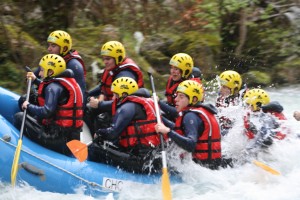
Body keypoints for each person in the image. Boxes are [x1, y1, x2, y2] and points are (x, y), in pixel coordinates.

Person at [14, 54, 84, 155]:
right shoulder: (62, 81)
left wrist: (28, 106)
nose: (40, 73)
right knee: (27, 103)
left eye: (42, 70)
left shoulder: (53, 87)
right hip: (70, 137)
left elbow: (46, 112)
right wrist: (35, 80)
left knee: (19, 117)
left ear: (50, 72)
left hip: (60, 139)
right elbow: (48, 87)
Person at [88, 77, 161, 173]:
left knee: (96, 147)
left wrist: (99, 133)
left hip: (141, 162)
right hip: (152, 158)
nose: (113, 98)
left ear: (124, 95)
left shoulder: (127, 107)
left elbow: (112, 134)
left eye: (115, 94)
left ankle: (93, 173)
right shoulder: (144, 103)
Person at [155, 80, 225, 170]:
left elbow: (190, 145)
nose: (176, 99)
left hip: (200, 169)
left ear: (194, 99)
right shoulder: (200, 111)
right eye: (177, 96)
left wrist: (168, 132)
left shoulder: (190, 116)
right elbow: (180, 128)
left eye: (181, 97)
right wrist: (159, 118)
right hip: (212, 167)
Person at [86, 41, 144, 133]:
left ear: (118, 58)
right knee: (88, 108)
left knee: (89, 110)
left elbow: (122, 102)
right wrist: (86, 94)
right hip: (114, 105)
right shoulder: (113, 68)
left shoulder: (125, 75)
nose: (104, 62)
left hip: (127, 110)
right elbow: (103, 86)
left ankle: (95, 139)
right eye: (103, 59)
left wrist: (99, 104)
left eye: (108, 59)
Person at [19, 30, 87, 109]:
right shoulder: (53, 59)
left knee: (25, 101)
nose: (49, 49)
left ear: (64, 48)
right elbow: (37, 73)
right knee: (23, 99)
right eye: (49, 45)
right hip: (55, 99)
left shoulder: (74, 65)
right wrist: (31, 77)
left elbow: (66, 93)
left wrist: (36, 81)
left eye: (53, 46)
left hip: (66, 106)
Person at [158, 53, 201, 122]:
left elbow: (177, 112)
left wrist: (158, 102)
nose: (172, 71)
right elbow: (170, 102)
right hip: (174, 112)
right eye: (171, 68)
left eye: (176, 69)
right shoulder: (173, 80)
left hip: (188, 118)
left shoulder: (191, 86)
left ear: (185, 71)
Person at [242, 89, 287, 153]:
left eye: (248, 104)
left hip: (278, 146)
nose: (246, 107)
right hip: (272, 143)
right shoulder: (258, 114)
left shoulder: (268, 118)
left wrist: (246, 153)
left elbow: (258, 141)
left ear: (257, 105)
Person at [215, 70, 245, 136]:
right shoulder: (221, 97)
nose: (220, 89)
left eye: (224, 87)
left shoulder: (239, 103)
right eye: (221, 86)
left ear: (234, 89)